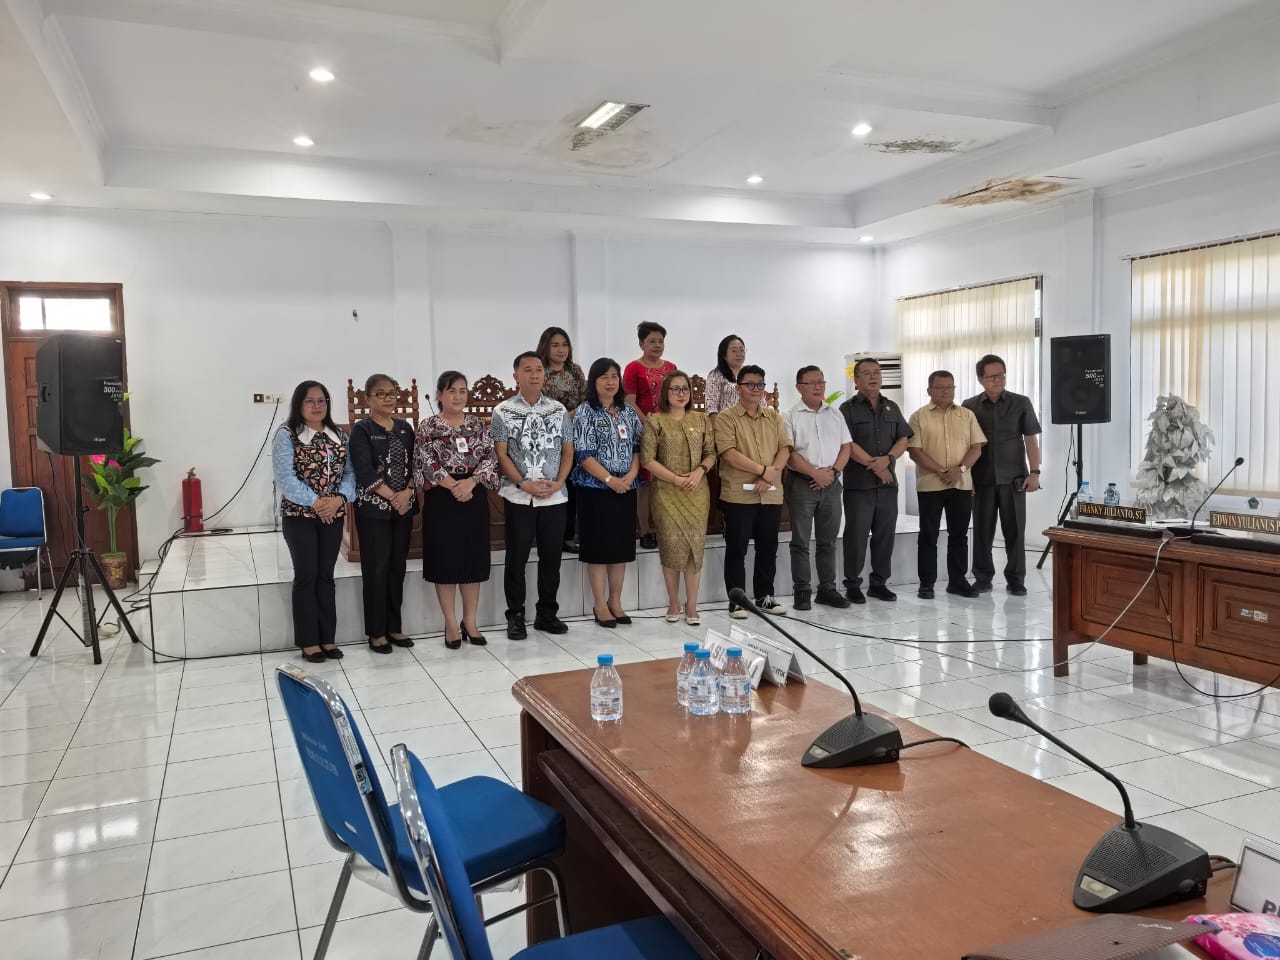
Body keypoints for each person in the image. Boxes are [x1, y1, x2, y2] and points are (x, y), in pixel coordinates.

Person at [491, 351, 574, 639]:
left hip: (554, 494)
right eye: (528, 370)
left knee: (552, 557)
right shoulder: (502, 411)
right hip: (519, 496)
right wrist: (522, 482)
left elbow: (568, 450)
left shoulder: (558, 410)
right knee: (517, 557)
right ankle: (515, 616)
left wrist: (559, 481)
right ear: (516, 376)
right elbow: (501, 454)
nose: (535, 374)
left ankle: (547, 613)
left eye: (539, 369)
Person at [272, 380, 356, 662]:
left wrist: (338, 500)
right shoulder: (287, 434)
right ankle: (309, 642)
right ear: (299, 404)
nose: (317, 406)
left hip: (333, 514)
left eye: (322, 400)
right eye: (310, 401)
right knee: (307, 576)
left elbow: (350, 475)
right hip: (300, 516)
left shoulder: (339, 436)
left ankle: (327, 639)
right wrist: (317, 502)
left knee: (326, 577)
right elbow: (285, 478)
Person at [415, 372, 500, 649]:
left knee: (472, 561)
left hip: (473, 495)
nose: (458, 396)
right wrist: (454, 486)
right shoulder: (428, 426)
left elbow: (490, 457)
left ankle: (471, 621)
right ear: (439, 393)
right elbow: (425, 462)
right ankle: (451, 623)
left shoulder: (477, 424)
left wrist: (471, 482)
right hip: (442, 498)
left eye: (463, 391)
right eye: (452, 391)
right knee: (446, 561)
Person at [715, 363, 793, 618]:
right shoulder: (727, 418)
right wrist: (764, 470)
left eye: (760, 384)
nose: (756, 389)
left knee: (768, 547)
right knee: (737, 549)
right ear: (738, 388)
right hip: (739, 494)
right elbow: (728, 454)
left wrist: (771, 473)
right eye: (750, 384)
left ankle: (764, 596)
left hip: (770, 493)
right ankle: (736, 599)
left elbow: (785, 447)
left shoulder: (773, 417)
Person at [962, 354, 1043, 596]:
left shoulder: (1021, 403)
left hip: (1014, 479)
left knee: (1015, 532)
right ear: (980, 379)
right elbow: (964, 444)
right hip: (982, 479)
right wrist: (966, 478)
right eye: (991, 376)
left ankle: (1016, 580)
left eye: (1001, 375)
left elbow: (1031, 440)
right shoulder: (969, 406)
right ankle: (983, 578)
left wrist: (1035, 472)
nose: (997, 380)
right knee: (982, 532)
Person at [349, 374, 418, 654]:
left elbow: (417, 463)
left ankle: (394, 626)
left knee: (396, 569)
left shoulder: (405, 428)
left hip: (402, 508)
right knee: (376, 570)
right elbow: (364, 470)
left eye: (392, 393)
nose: (388, 398)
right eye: (381, 394)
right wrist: (393, 497)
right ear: (368, 399)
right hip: (374, 510)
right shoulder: (362, 430)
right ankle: (376, 632)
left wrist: (408, 493)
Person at [571, 358, 643, 627]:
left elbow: (637, 446)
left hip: (626, 487)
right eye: (604, 377)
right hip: (595, 490)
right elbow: (583, 454)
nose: (611, 381)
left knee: (620, 549)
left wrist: (633, 473)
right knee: (599, 548)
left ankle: (616, 600)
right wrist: (610, 479)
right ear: (594, 381)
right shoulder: (585, 412)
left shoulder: (627, 411)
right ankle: (599, 604)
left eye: (615, 376)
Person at [641, 370, 716, 625]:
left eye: (685, 389)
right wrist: (675, 479)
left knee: (695, 549)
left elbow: (711, 453)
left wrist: (699, 471)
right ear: (665, 393)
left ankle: (692, 605)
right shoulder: (655, 420)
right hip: (666, 493)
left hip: (697, 490)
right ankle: (674, 602)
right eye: (675, 389)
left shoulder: (702, 419)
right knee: (672, 548)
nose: (681, 394)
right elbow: (647, 459)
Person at [907, 371, 987, 600]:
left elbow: (976, 448)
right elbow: (915, 451)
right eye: (940, 387)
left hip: (960, 484)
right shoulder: (918, 417)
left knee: (959, 535)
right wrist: (941, 471)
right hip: (930, 485)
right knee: (928, 535)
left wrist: (959, 470)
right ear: (929, 390)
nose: (946, 391)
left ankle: (958, 581)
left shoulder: (967, 415)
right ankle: (927, 584)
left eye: (950, 387)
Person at [839, 359, 912, 604]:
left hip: (887, 487)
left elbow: (904, 439)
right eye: (867, 373)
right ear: (856, 380)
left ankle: (879, 583)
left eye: (877, 373)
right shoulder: (847, 409)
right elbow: (847, 444)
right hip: (859, 485)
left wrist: (888, 459)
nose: (873, 377)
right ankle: (852, 584)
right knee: (856, 537)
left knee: (885, 536)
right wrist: (876, 466)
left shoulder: (891, 407)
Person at [783, 365, 852, 611]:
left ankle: (827, 590)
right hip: (803, 482)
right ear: (799, 387)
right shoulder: (790, 416)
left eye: (821, 382)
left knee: (828, 541)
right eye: (811, 382)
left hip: (831, 482)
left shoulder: (835, 414)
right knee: (800, 541)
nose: (817, 386)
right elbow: (789, 453)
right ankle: (802, 591)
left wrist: (832, 473)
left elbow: (846, 447)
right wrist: (814, 473)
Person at [623, 321, 676, 550]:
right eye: (652, 341)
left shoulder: (671, 367)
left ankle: (665, 529)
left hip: (669, 431)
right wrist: (650, 424)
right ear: (641, 343)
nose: (657, 345)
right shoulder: (633, 368)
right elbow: (629, 402)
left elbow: (676, 398)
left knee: (666, 482)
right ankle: (645, 531)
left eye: (661, 341)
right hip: (643, 431)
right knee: (644, 483)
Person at [536, 326, 587, 555]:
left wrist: (568, 417)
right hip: (544, 437)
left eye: (564, 344)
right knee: (546, 483)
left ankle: (567, 535)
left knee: (570, 486)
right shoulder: (538, 371)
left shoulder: (574, 371)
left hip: (572, 435)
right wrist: (558, 418)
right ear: (545, 346)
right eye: (555, 345)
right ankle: (541, 536)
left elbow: (585, 400)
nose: (561, 349)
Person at [704, 334, 745, 421]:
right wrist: (720, 430)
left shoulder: (750, 374)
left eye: (742, 350)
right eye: (734, 351)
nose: (739, 354)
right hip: (725, 426)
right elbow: (711, 408)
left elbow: (762, 404)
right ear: (724, 355)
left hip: (750, 426)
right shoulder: (715, 375)